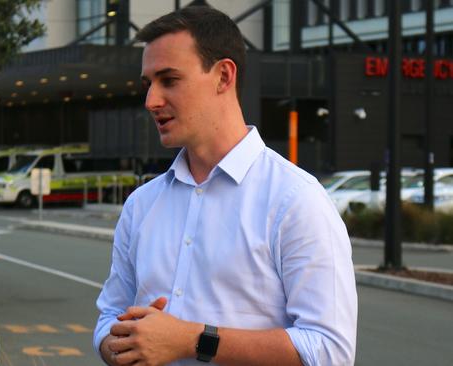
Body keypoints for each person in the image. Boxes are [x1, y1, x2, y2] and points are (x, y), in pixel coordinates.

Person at [93, 6, 357, 366]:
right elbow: (108, 320)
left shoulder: (296, 200)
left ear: (223, 76)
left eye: (169, 80)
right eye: (148, 83)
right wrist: (122, 346)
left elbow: (329, 351)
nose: (151, 100)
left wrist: (193, 340)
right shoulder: (141, 204)